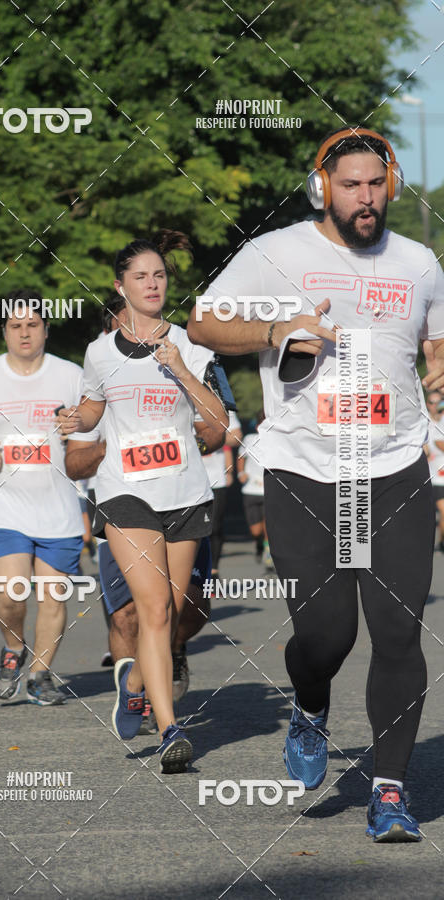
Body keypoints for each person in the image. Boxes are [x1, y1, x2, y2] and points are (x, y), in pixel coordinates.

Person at [188, 128, 444, 840]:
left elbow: (436, 337)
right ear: (321, 188)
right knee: (327, 635)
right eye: (350, 185)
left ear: (392, 185)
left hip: (393, 468)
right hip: (304, 470)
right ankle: (310, 705)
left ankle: (389, 792)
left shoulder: (419, 262)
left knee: (399, 631)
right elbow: (202, 323)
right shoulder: (274, 253)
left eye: (375, 184)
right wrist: (275, 334)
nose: (365, 198)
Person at [59, 231, 228, 773]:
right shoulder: (98, 351)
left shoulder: (192, 345)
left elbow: (219, 425)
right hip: (124, 491)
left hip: (184, 491)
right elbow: (92, 407)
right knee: (152, 609)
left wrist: (181, 369)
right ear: (120, 287)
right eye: (140, 277)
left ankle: (133, 681)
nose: (152, 284)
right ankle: (171, 729)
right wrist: (76, 420)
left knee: (172, 612)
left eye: (158, 275)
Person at [0, 288, 89, 706]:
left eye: (32, 325)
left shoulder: (71, 375)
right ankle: (13, 648)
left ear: (46, 329)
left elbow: (93, 428)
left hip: (59, 508)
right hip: (6, 507)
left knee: (53, 597)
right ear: (4, 331)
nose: (24, 333)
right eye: (15, 326)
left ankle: (40, 676)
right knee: (10, 594)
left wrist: (76, 428)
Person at [202, 409, 242, 575]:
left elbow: (236, 437)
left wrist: (212, 437)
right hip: (190, 480)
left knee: (215, 526)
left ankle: (214, 569)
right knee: (193, 528)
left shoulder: (223, 408)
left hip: (216, 479)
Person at [237, 413, 271, 568]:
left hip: (269, 490)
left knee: (268, 525)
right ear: (257, 426)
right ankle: (259, 544)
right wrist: (241, 473)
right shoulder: (249, 439)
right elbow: (240, 457)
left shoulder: (276, 440)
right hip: (250, 490)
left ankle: (268, 553)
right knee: (255, 531)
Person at [424, 392, 444, 552]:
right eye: (432, 402)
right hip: (434, 476)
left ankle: (441, 542)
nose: (436, 406)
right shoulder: (424, 423)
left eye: (440, 402)